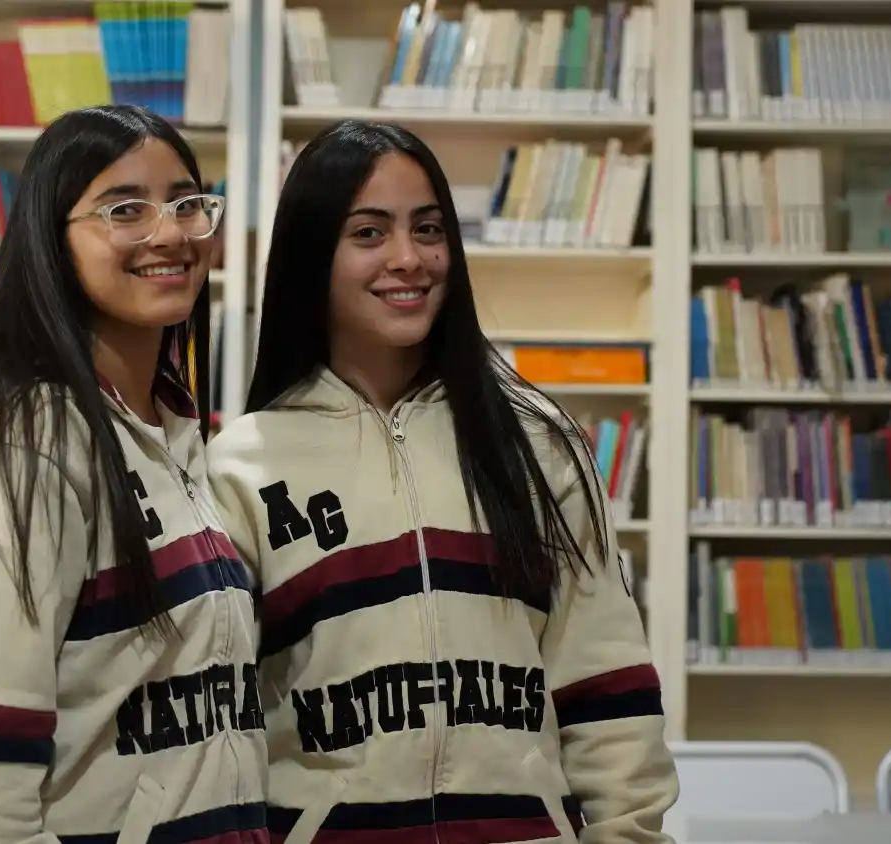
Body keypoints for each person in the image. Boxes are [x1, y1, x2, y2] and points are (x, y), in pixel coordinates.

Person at [208, 119, 678, 843]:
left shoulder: (538, 445)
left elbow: (607, 689)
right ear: (311, 255)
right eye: (368, 233)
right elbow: (222, 729)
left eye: (428, 230)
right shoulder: (240, 464)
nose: (409, 259)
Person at [0, 105, 267, 844]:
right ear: (51, 244)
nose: (170, 232)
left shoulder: (175, 434)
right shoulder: (22, 447)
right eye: (124, 209)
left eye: (187, 202)